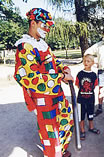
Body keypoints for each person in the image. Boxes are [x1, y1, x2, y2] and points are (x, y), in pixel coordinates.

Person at [13, 8, 73, 157]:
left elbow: (54, 61)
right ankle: (54, 154)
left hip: (56, 92)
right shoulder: (24, 47)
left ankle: (60, 150)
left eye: (49, 26)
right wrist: (60, 77)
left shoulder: (42, 43)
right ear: (33, 23)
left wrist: (64, 68)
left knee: (65, 120)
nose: (48, 29)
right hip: (43, 98)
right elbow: (31, 78)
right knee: (50, 132)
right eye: (45, 25)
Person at [75, 54, 100, 140]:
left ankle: (91, 127)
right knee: (81, 115)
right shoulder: (80, 74)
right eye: (85, 61)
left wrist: (88, 91)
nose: (86, 62)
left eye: (88, 61)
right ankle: (82, 130)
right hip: (81, 99)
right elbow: (77, 85)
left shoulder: (93, 75)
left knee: (90, 113)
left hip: (90, 99)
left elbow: (95, 85)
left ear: (92, 63)